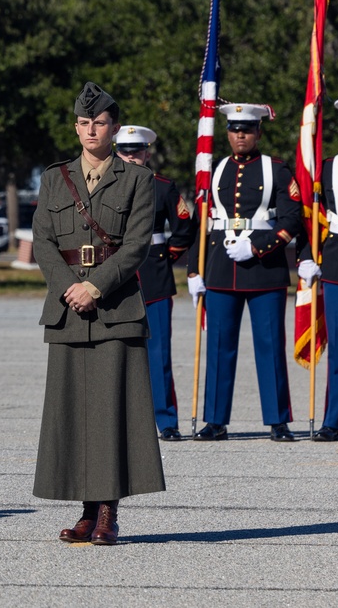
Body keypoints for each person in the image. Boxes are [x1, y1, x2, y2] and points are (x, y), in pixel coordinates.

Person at [32, 82, 165, 546]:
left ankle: (108, 511)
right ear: (76, 127)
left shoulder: (138, 180)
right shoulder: (53, 177)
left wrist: (94, 285)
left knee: (112, 411)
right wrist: (70, 286)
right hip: (67, 309)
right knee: (74, 412)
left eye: (101, 123)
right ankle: (85, 509)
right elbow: (42, 242)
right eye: (85, 123)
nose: (92, 130)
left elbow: (136, 246)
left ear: (114, 127)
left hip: (115, 307)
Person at [187, 103, 302, 442]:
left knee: (270, 345)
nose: (240, 135)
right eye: (235, 129)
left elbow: (291, 220)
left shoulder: (277, 170)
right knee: (220, 346)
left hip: (265, 268)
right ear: (226, 133)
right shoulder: (214, 170)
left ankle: (278, 420)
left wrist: (256, 247)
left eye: (247, 129)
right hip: (221, 269)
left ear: (258, 132)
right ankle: (216, 420)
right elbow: (202, 224)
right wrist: (194, 271)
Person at [114, 125, 196, 441]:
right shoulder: (104, 187)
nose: (132, 157)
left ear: (147, 153)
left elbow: (184, 229)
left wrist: (165, 259)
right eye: (125, 151)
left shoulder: (163, 187)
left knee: (158, 353)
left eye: (137, 151)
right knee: (115, 353)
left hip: (154, 277)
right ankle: (117, 419)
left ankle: (167, 421)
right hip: (115, 280)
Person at [296, 96, 338, 442]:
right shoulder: (327, 167)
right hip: (337, 263)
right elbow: (309, 217)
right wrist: (307, 255)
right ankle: (333, 421)